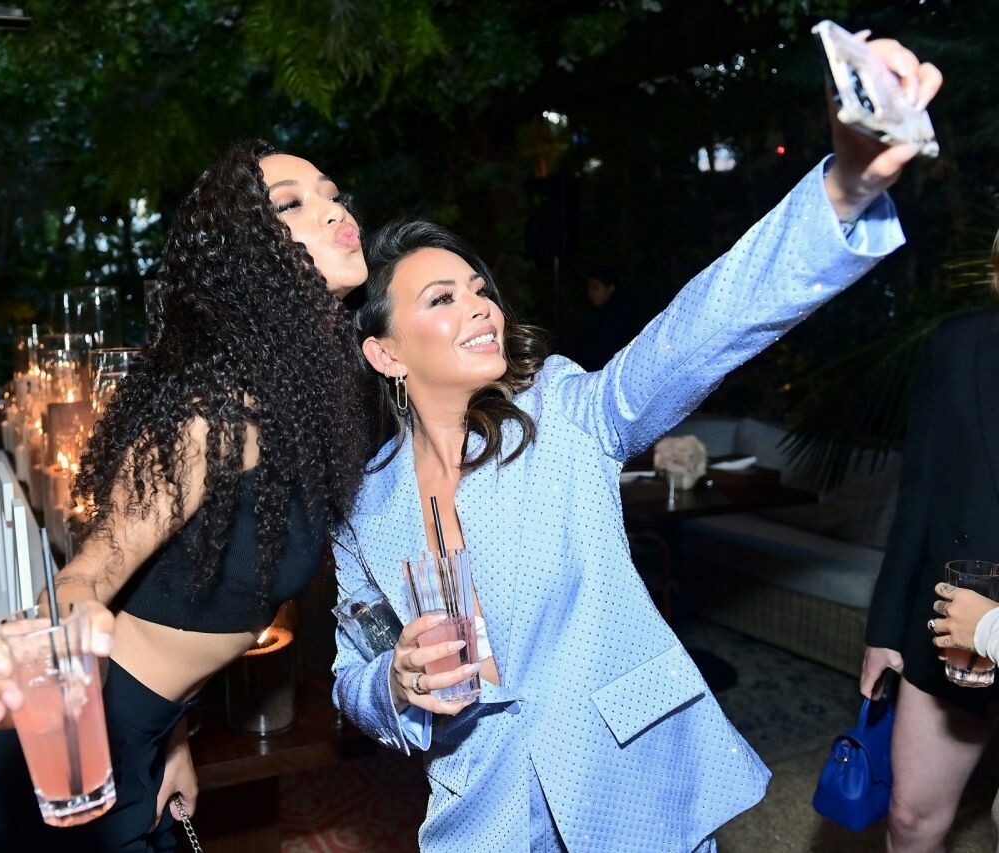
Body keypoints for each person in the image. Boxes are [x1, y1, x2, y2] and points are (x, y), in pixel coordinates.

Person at [332, 37, 937, 852]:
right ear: (386, 353)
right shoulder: (362, 508)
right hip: (484, 808)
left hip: (631, 784)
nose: (480, 306)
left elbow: (699, 331)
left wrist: (844, 189)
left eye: (480, 288)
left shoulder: (564, 414)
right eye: (441, 298)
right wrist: (395, 682)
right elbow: (352, 674)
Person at [0, 139, 371, 850]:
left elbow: (172, 593)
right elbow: (91, 574)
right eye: (292, 205)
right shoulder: (216, 411)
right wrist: (44, 643)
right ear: (246, 258)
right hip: (66, 743)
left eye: (332, 194)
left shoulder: (300, 398)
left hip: (142, 732)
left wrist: (174, 738)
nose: (333, 211)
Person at [864, 224, 999, 853]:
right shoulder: (958, 343)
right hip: (952, 623)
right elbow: (917, 495)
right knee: (912, 817)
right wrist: (886, 630)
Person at [573, 264, 642, 370]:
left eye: (595, 287)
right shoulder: (594, 314)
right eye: (589, 288)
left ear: (610, 288)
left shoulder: (622, 316)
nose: (590, 293)